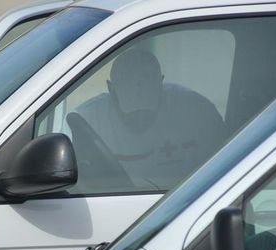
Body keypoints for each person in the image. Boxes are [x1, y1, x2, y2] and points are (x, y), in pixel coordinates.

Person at [70, 48, 226, 191]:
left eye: (147, 115)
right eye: (131, 116)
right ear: (111, 89)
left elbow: (226, 167)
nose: (140, 123)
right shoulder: (88, 120)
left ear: (161, 83)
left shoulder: (198, 113)